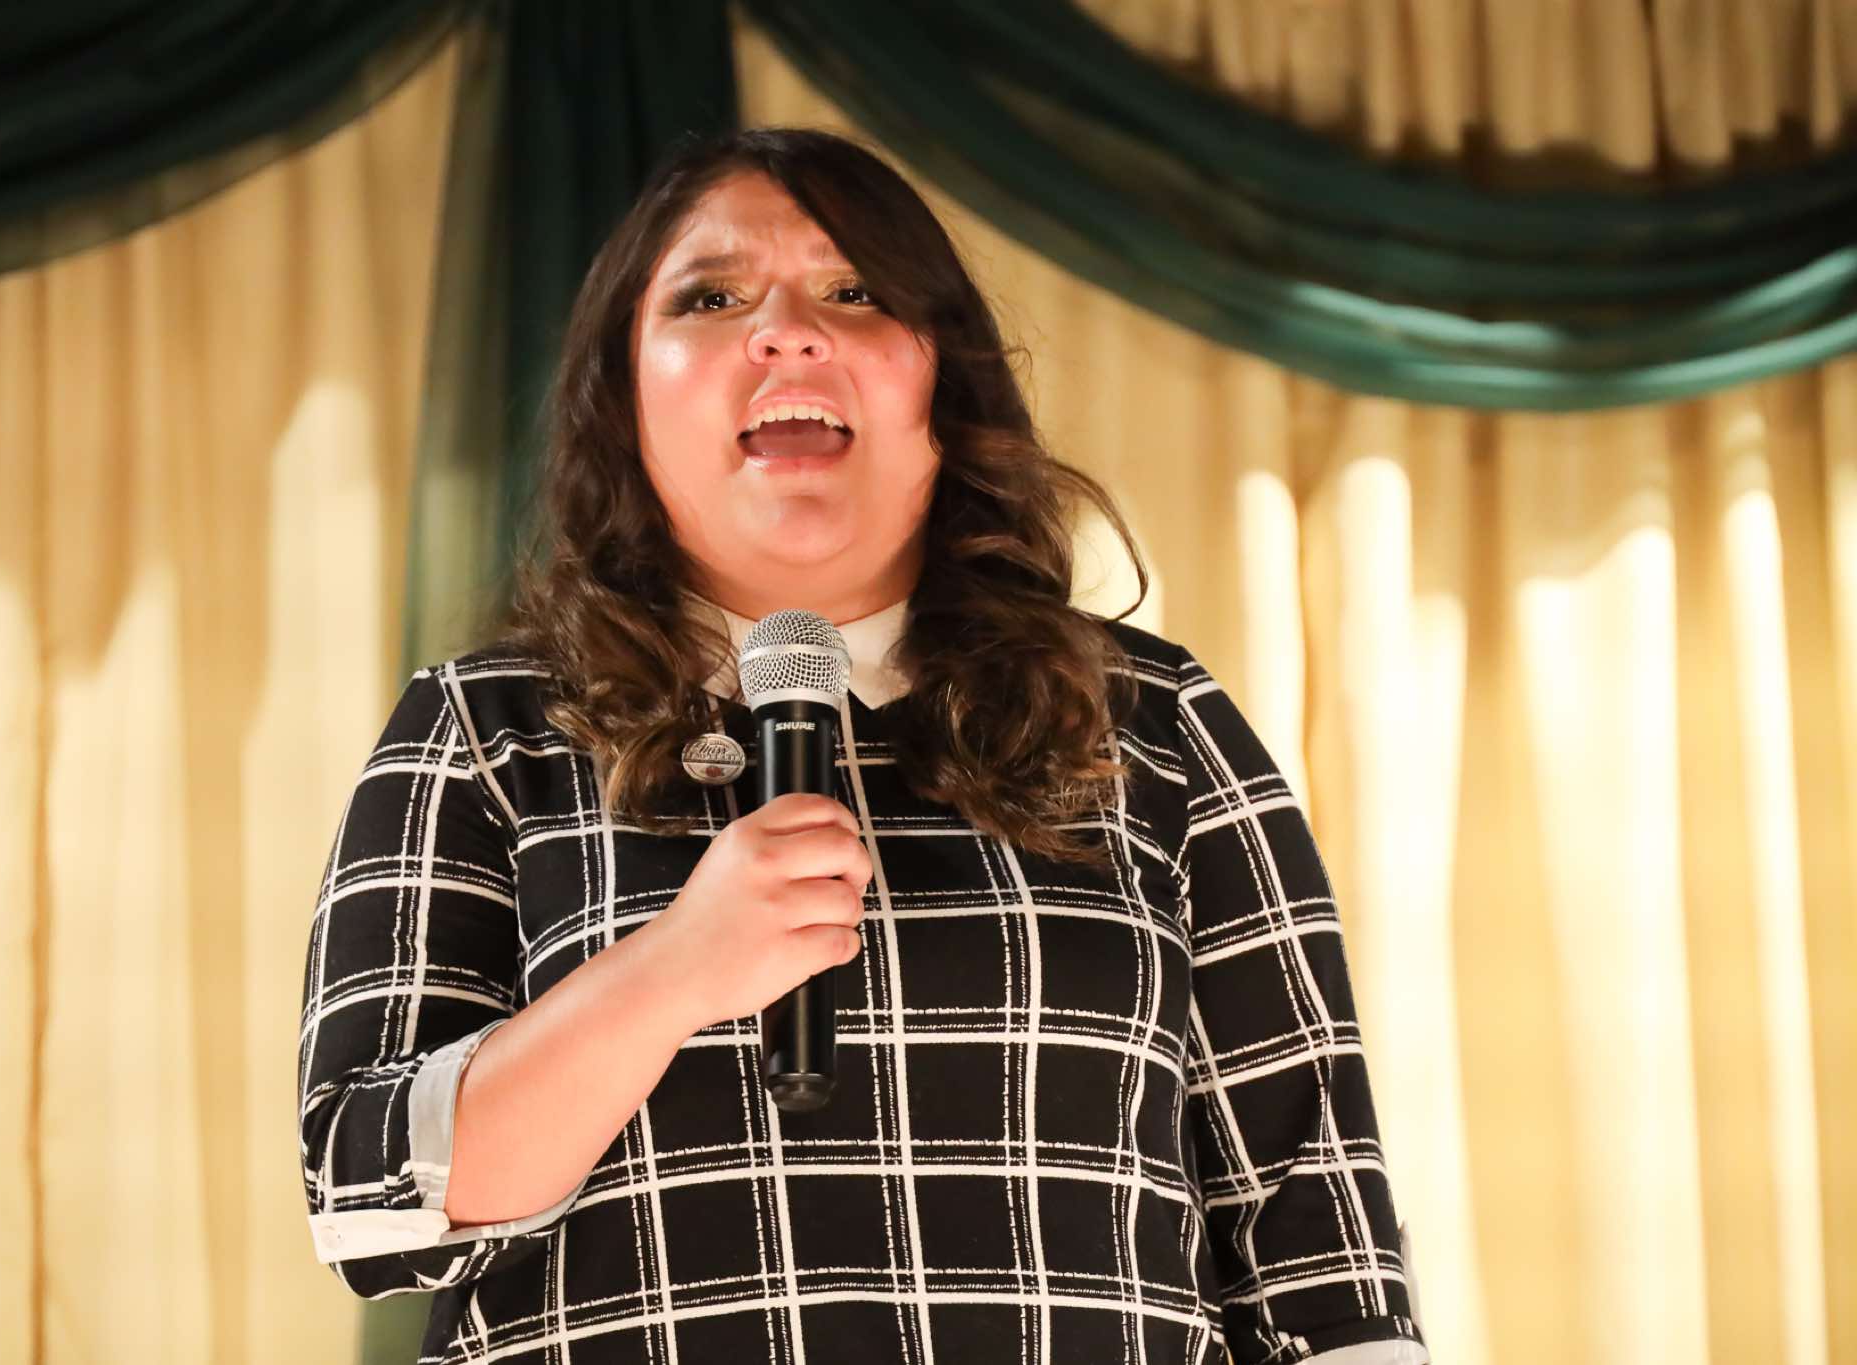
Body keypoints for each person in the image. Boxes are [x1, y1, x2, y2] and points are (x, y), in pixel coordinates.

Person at [297, 125, 1430, 1365]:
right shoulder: (485, 729)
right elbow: (369, 1209)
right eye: (711, 298)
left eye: (854, 292)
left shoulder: (1149, 724)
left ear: (942, 384)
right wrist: (672, 971)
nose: (787, 333)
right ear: (621, 396)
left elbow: (1321, 1255)